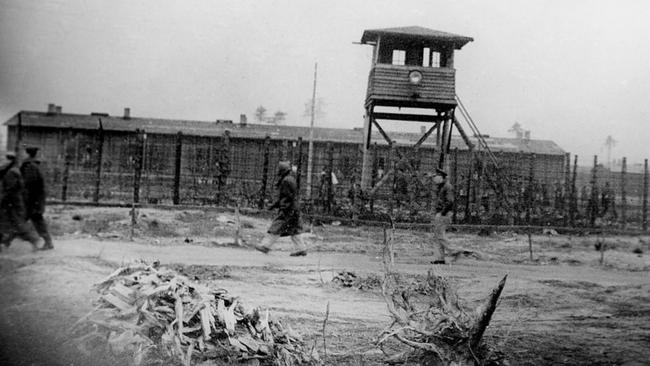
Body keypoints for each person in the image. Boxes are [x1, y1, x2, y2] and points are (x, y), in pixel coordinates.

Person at [255, 161, 308, 256]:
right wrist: (275, 205)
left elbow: (286, 197)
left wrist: (282, 207)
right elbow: (286, 196)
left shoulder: (286, 181)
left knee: (276, 227)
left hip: (288, 209)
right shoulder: (290, 179)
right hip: (293, 209)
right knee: (294, 229)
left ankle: (265, 246)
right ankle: (301, 249)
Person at [0, 152, 43, 251]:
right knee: (6, 224)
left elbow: (10, 190)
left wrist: (2, 199)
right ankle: (4, 243)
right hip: (11, 203)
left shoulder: (11, 172)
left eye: (6, 159)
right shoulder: (12, 171)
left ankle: (33, 240)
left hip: (12, 204)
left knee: (18, 225)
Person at [21, 147, 54, 250]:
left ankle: (39, 241)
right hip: (35, 200)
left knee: (19, 221)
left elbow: (29, 185)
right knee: (35, 221)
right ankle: (46, 242)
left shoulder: (30, 166)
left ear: (27, 154)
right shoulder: (35, 165)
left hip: (32, 201)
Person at [431, 168, 454, 264]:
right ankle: (439, 258)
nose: (434, 178)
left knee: (440, 235)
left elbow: (450, 201)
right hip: (441, 213)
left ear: (441, 177)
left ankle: (454, 250)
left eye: (436, 176)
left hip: (444, 213)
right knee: (437, 236)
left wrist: (442, 212)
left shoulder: (447, 187)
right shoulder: (441, 186)